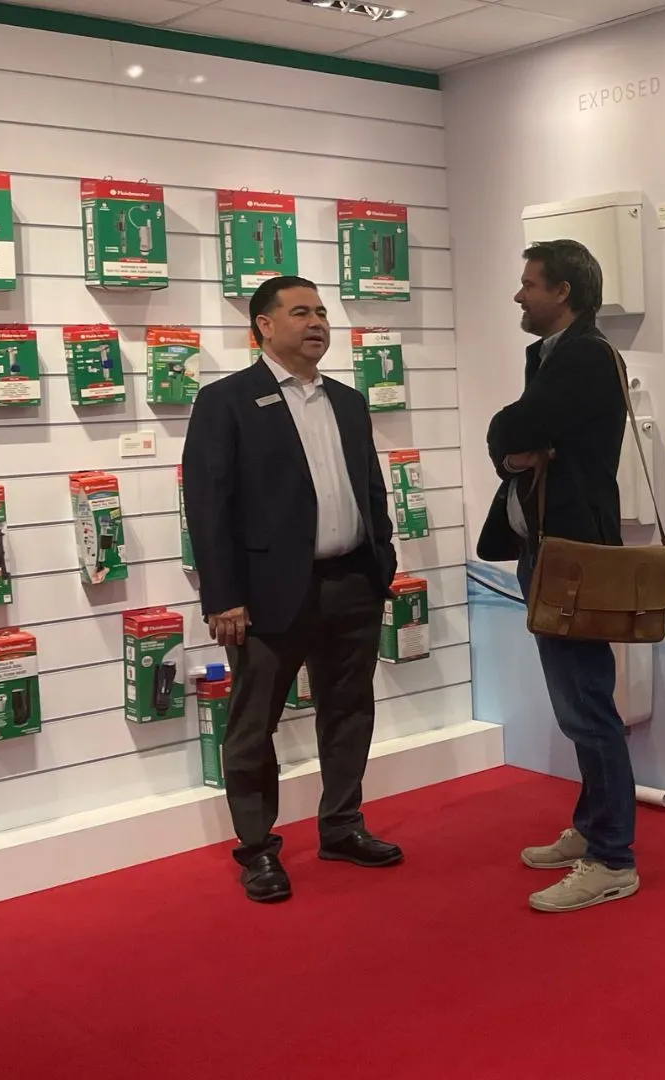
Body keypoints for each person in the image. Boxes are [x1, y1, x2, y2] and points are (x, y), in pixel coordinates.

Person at [184, 275, 403, 904]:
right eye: (301, 312)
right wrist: (223, 597)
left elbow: (370, 489)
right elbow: (208, 506)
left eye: (322, 313)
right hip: (267, 594)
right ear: (264, 326)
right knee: (254, 725)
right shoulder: (226, 401)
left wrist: (381, 562)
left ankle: (342, 826)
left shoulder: (348, 401)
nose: (317, 324)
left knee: (350, 710)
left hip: (352, 583)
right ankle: (257, 849)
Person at [476, 239, 639, 914]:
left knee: (586, 707)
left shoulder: (584, 357)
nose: (519, 295)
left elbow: (513, 426)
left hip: (573, 556)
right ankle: (595, 829)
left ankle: (613, 858)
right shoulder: (553, 355)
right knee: (579, 703)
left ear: (563, 291)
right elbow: (517, 441)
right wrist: (518, 448)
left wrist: (513, 439)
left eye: (530, 284)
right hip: (548, 550)